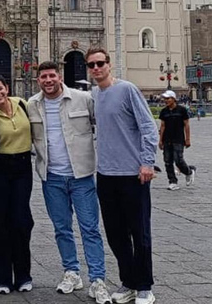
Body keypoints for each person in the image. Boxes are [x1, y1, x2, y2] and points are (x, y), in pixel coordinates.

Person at [28, 62, 111, 304]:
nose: (48, 80)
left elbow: (106, 126)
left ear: (60, 76)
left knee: (90, 228)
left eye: (52, 75)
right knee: (62, 229)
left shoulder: (84, 98)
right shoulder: (33, 105)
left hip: (82, 176)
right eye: (43, 76)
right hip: (51, 177)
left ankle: (97, 279)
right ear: (38, 80)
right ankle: (72, 272)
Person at [86, 47, 158, 304]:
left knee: (139, 232)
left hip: (132, 173)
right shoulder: (94, 95)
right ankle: (128, 281)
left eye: (100, 64)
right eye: (92, 65)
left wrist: (147, 163)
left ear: (109, 64)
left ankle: (145, 286)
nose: (96, 69)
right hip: (105, 174)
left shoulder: (127, 89)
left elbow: (148, 126)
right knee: (115, 233)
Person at [0, 75, 34, 295]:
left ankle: (24, 275)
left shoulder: (24, 104)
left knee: (22, 221)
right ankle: (2, 278)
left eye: (0, 88)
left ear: (7, 88)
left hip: (23, 167)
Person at [158, 90, 195, 191]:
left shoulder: (181, 110)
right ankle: (173, 181)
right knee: (168, 161)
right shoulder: (164, 111)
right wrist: (160, 140)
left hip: (178, 139)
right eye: (165, 99)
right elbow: (162, 126)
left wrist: (187, 139)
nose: (166, 100)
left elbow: (186, 125)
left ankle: (188, 172)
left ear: (174, 99)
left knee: (178, 160)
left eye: (168, 98)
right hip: (167, 139)